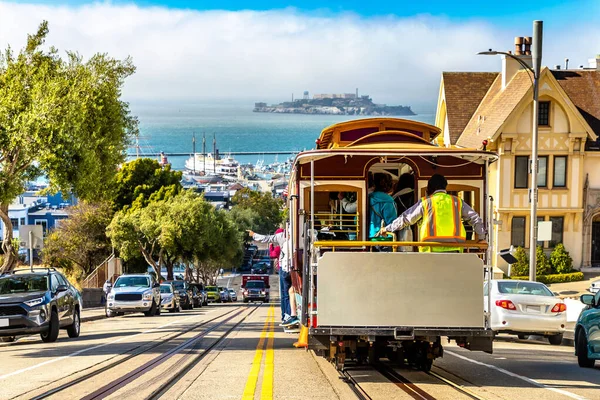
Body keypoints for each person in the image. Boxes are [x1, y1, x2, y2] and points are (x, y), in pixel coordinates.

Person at [380, 174, 486, 252]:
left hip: (430, 250)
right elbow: (475, 218)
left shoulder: (426, 202)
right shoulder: (457, 202)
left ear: (429, 187)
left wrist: (387, 229)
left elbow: (406, 219)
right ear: (445, 187)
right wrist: (481, 239)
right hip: (455, 250)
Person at [247, 228, 299, 327]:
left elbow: (268, 241)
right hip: (292, 269)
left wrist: (254, 235)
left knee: (286, 294)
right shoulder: (296, 238)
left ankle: (287, 316)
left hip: (285, 269)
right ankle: (289, 315)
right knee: (290, 292)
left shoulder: (282, 239)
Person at [369, 173, 397, 239]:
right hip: (384, 236)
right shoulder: (388, 201)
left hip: (369, 236)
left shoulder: (367, 198)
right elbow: (392, 222)